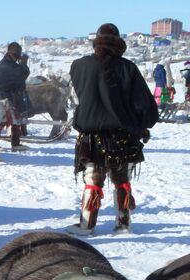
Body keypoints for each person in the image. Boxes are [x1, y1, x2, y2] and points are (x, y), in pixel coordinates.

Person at [66, 23, 158, 236]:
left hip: (91, 135)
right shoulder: (128, 68)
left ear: (96, 42)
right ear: (118, 44)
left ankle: (86, 226)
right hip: (122, 135)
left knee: (92, 180)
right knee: (122, 180)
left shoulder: (79, 65)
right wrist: (142, 124)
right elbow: (142, 103)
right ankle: (123, 224)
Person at [0, 42, 30, 151]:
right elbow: (23, 74)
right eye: (17, 55)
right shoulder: (7, 65)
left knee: (16, 119)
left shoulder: (7, 64)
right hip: (3, 96)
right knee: (2, 119)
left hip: (8, 95)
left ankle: (15, 143)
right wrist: (24, 63)